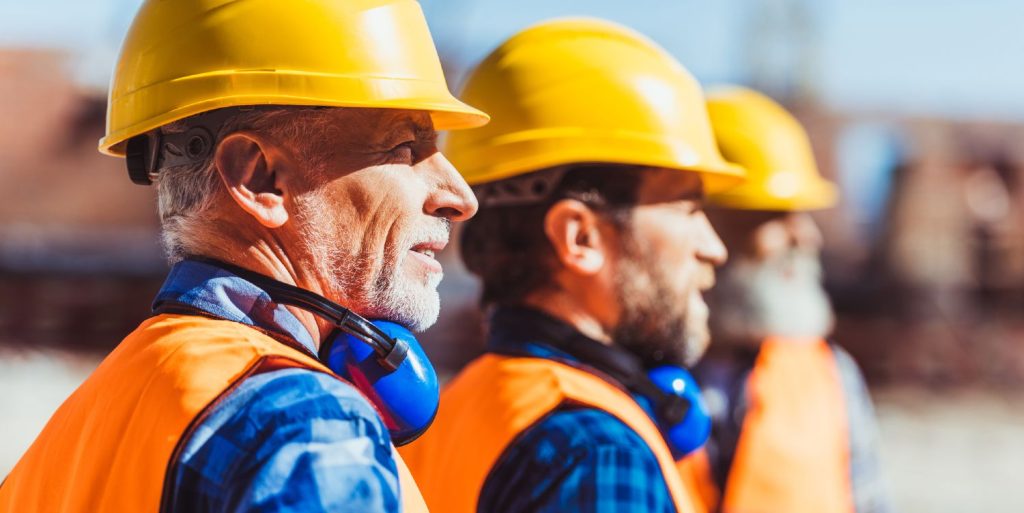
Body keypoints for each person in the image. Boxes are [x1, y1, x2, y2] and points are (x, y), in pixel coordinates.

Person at [0, 1, 488, 511]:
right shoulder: (308, 431)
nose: (459, 196)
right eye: (405, 147)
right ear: (260, 179)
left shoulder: (84, 421)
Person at [401, 18, 746, 513]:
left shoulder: (459, 407)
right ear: (579, 237)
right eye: (687, 210)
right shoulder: (595, 453)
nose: (713, 248)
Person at [693, 86, 890, 513]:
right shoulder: (625, 373)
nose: (806, 236)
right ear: (701, 220)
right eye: (774, 215)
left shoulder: (833, 376)